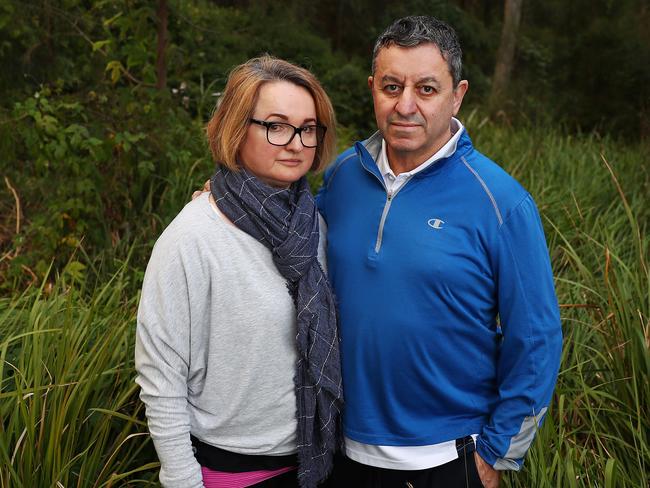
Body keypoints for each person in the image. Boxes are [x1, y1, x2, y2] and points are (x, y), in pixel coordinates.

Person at [316, 16, 563, 488]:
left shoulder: (501, 202)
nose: (405, 105)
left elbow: (536, 339)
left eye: (426, 89)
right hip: (344, 451)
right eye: (391, 86)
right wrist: (224, 197)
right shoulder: (343, 175)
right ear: (372, 88)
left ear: (458, 94)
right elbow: (291, 237)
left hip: (448, 459)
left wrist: (495, 455)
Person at [135, 55, 343, 488]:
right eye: (276, 125)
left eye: (308, 128)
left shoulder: (314, 227)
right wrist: (182, 478)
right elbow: (160, 376)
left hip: (316, 462)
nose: (296, 143)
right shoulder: (193, 237)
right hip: (228, 473)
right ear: (236, 127)